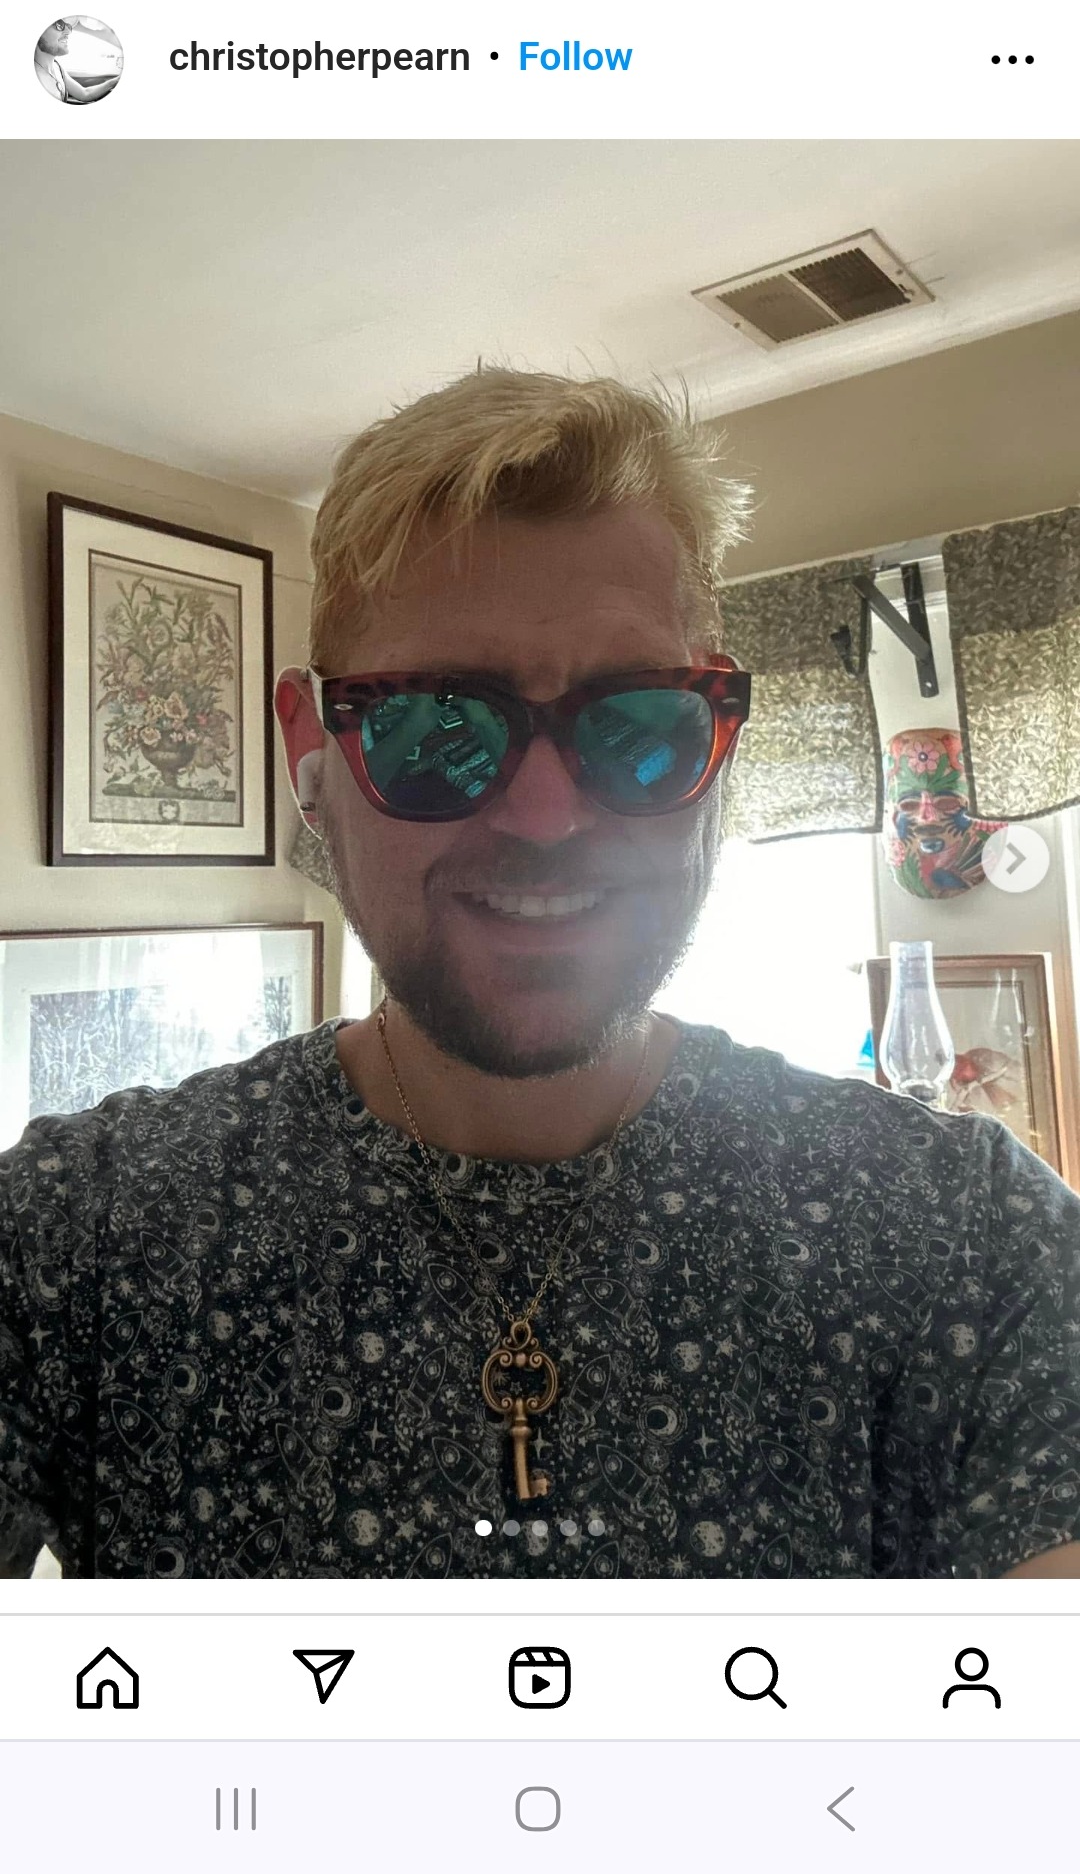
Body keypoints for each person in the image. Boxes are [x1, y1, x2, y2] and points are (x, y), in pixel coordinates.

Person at [3, 362, 1080, 1579]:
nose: (548, 817)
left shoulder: (968, 1241)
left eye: (638, 724)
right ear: (311, 756)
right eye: (436, 729)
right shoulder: (75, 1238)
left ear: (718, 742)